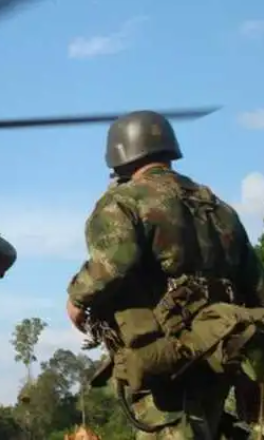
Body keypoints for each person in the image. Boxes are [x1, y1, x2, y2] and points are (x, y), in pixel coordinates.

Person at [65, 110, 264, 439]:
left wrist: (76, 299)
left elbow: (114, 264)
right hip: (218, 356)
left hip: (163, 357)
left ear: (119, 155)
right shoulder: (218, 208)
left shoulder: (125, 201)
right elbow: (256, 285)